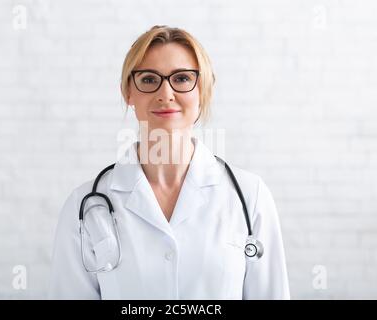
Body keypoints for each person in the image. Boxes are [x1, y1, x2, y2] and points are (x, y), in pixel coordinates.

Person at [49, 25, 290, 299]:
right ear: (128, 92)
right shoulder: (85, 207)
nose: (166, 93)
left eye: (183, 78)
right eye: (149, 80)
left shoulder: (250, 196)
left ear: (204, 91)